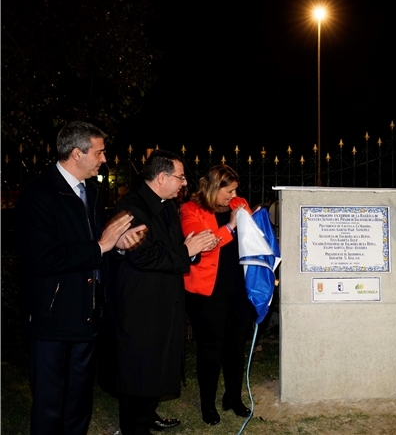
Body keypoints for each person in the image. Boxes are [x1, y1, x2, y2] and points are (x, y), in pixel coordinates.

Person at [16, 121, 146, 435]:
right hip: (52, 319)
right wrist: (101, 245)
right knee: (50, 405)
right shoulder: (38, 194)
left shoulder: (90, 189)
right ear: (77, 153)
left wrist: (118, 245)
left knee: (78, 402)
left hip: (87, 317)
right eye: (99, 152)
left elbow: (97, 245)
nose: (104, 159)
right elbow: (43, 258)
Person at [107, 150, 219, 435]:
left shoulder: (167, 205)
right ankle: (135, 427)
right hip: (141, 305)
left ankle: (149, 414)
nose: (184, 183)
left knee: (158, 365)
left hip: (165, 302)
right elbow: (143, 256)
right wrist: (186, 251)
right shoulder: (131, 206)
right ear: (161, 177)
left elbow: (174, 249)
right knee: (139, 369)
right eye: (180, 177)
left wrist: (192, 250)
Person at [180, 165, 256, 425]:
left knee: (236, 347)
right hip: (207, 291)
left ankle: (233, 398)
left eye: (236, 189)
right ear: (214, 187)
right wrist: (232, 226)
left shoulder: (239, 204)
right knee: (210, 349)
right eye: (230, 190)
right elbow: (203, 244)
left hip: (238, 288)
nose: (234, 195)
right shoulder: (190, 210)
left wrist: (253, 221)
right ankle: (207, 404)